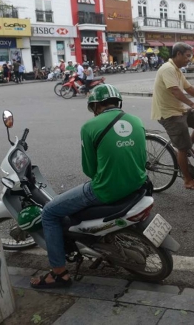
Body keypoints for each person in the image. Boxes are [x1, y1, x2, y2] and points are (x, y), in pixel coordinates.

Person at [30, 84, 148, 288]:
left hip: (106, 190)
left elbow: (90, 169)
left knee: (49, 212)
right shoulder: (136, 121)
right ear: (118, 102)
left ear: (95, 106)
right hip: (138, 184)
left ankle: (58, 273)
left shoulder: (89, 127)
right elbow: (143, 158)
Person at [151, 42, 194, 191]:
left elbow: (188, 88)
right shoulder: (167, 69)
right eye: (187, 56)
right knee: (182, 148)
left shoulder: (177, 70)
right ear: (178, 54)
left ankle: (187, 145)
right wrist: (191, 104)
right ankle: (187, 180)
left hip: (179, 109)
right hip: (168, 113)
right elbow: (175, 91)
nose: (189, 59)